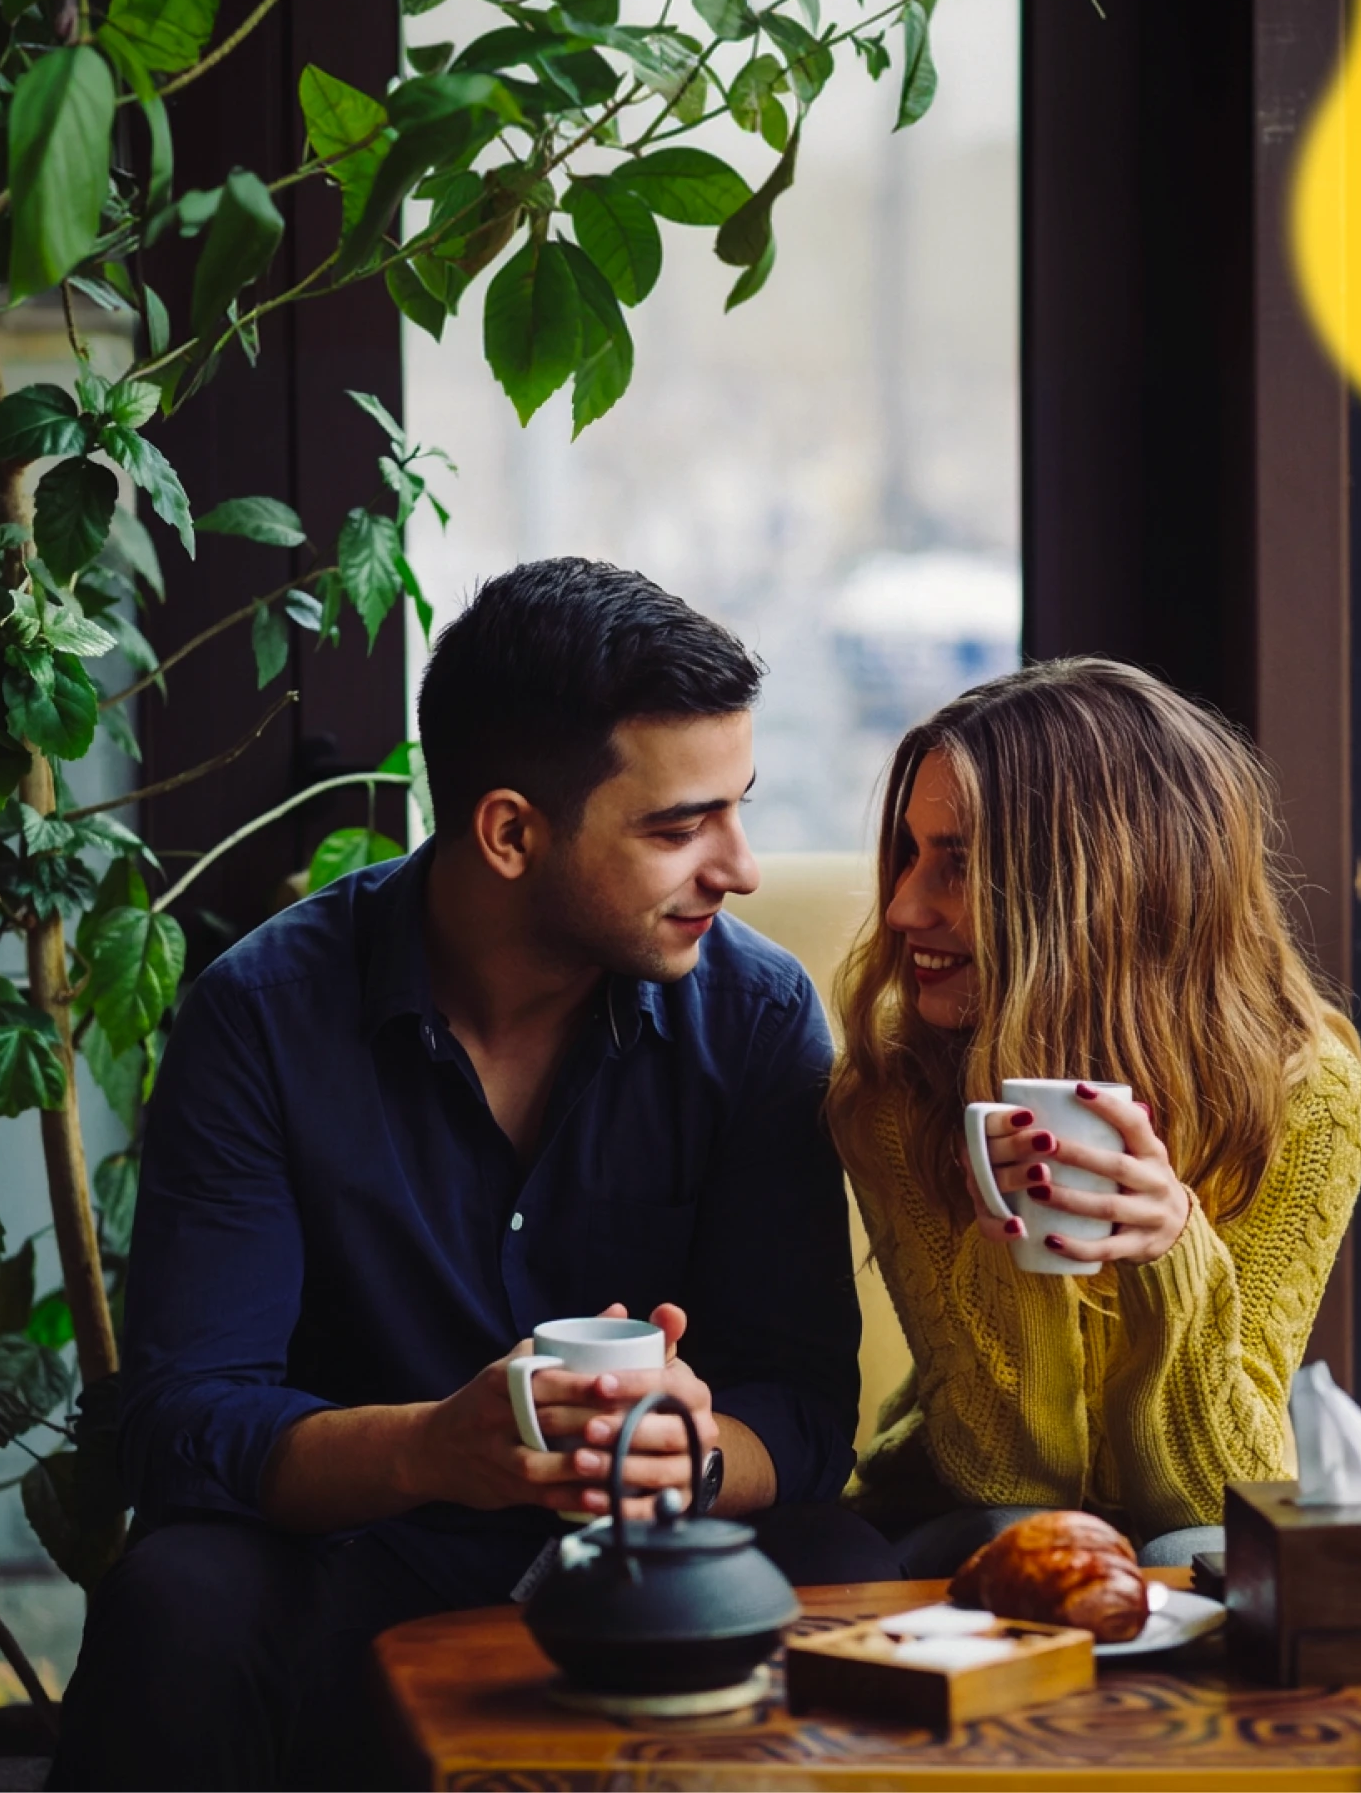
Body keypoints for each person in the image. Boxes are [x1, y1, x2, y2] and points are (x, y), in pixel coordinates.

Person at [52, 559, 895, 1791]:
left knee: (853, 1568)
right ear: (510, 830)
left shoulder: (756, 1015)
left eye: (738, 806)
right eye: (678, 826)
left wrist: (694, 1451)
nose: (741, 867)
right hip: (359, 1554)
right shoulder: (264, 1017)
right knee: (177, 1597)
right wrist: (437, 1447)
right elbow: (185, 1424)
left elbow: (807, 1409)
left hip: (663, 1565)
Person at [825, 658, 1361, 1575]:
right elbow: (1009, 1476)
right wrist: (1018, 1238)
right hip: (951, 1517)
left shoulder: (1306, 1092)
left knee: (1211, 1561)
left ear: (1094, 889)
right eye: (909, 855)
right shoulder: (893, 1085)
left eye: (957, 864)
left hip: (1185, 1517)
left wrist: (1170, 1255)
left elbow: (1212, 1501)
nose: (902, 906)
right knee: (1015, 1542)